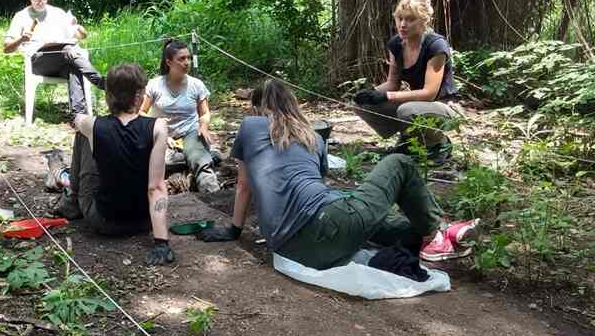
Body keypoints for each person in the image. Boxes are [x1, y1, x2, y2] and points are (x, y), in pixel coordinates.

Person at [198, 79, 478, 264]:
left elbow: (244, 185)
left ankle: (437, 234)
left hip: (290, 247)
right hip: (325, 223)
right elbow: (318, 189)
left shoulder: (249, 126)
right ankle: (437, 233)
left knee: (359, 210)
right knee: (399, 163)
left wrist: (234, 231)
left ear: (259, 107)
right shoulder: (314, 138)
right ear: (293, 105)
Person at [54, 63, 175, 266]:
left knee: (83, 134)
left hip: (103, 221)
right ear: (139, 95)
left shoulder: (93, 124)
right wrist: (161, 242)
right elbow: (156, 187)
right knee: (93, 135)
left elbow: (77, 119)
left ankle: (72, 201)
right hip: (143, 222)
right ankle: (73, 199)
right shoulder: (158, 127)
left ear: (108, 95)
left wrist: (81, 122)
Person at [353, 0, 460, 164]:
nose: (402, 24)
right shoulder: (396, 44)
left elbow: (429, 93)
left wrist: (387, 96)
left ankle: (439, 143)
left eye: (410, 19)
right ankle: (409, 139)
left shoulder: (436, 46)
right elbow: (392, 83)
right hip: (418, 104)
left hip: (444, 106)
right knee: (362, 105)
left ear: (424, 21)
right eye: (399, 18)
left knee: (407, 110)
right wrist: (370, 93)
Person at [3, 0, 104, 119]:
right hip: (38, 62)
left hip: (64, 59)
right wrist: (21, 39)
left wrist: (77, 26)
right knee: (69, 51)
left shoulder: (57, 13)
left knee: (74, 65)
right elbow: (6, 48)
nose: (40, 1)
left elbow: (82, 36)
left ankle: (78, 116)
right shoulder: (21, 16)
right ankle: (100, 81)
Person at [140, 39, 220, 193]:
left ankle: (214, 194)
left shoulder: (196, 85)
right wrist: (157, 125)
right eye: (182, 59)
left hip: (189, 132)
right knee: (149, 161)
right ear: (169, 62)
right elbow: (141, 112)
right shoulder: (154, 85)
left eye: (188, 58)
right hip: (160, 133)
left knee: (199, 159)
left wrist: (203, 126)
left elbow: (204, 113)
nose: (187, 62)